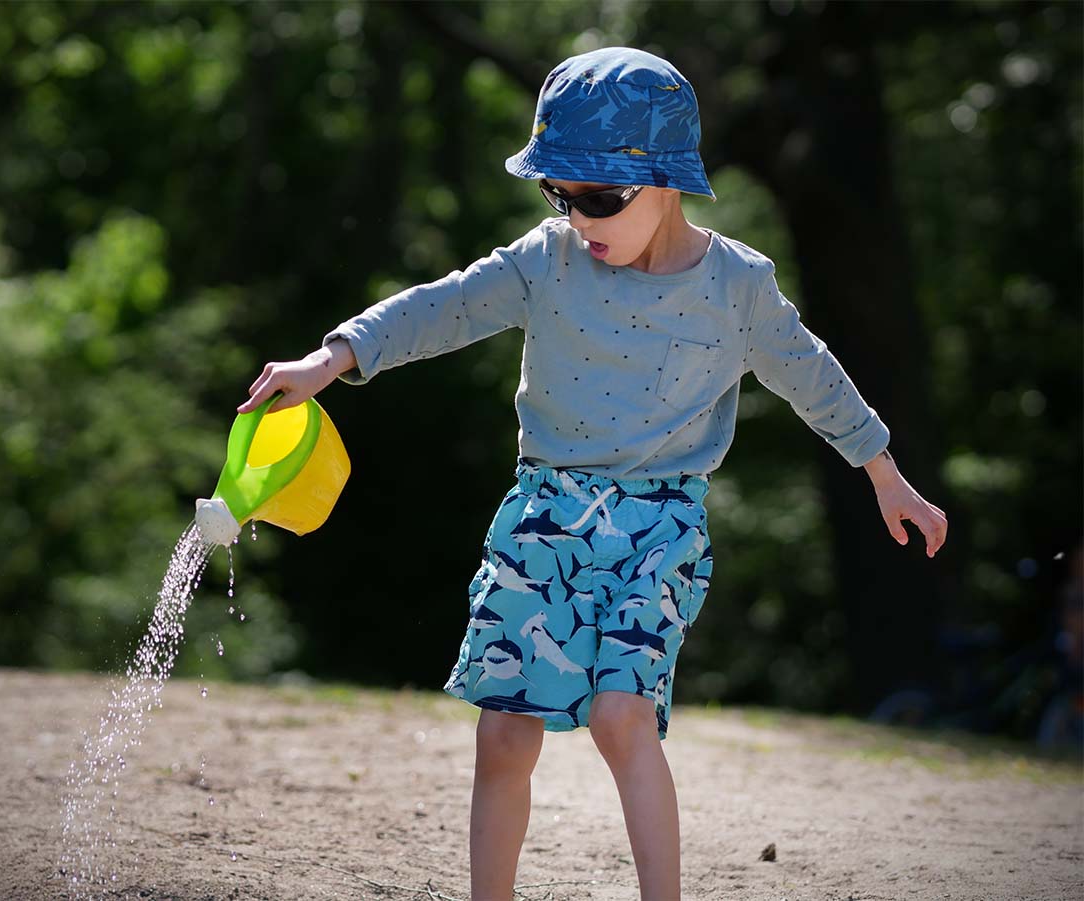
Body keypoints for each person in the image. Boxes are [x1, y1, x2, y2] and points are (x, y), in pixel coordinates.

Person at [238, 46, 948, 901]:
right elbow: (446, 304)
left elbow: (813, 376)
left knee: (622, 717)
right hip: (544, 513)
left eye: (600, 197)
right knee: (503, 733)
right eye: (558, 194)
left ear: (669, 182)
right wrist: (331, 357)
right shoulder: (549, 261)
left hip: (661, 524)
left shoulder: (739, 288)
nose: (581, 217)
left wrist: (885, 473)